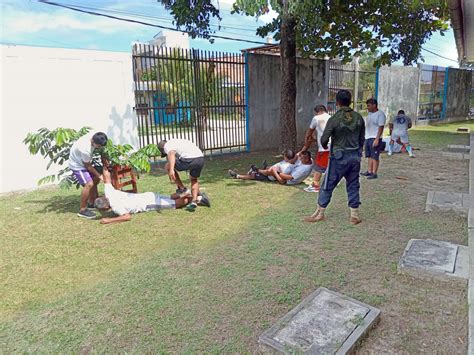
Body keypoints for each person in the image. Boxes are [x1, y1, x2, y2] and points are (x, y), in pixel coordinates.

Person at [304, 89, 365, 225]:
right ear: (350, 101)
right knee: (353, 184)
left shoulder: (334, 119)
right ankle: (354, 215)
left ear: (337, 102)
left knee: (327, 184)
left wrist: (326, 146)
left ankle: (320, 213)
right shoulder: (359, 118)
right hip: (355, 157)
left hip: (339, 157)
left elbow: (324, 139)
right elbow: (362, 139)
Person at [94, 168, 211, 224]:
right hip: (148, 195)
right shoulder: (109, 192)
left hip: (148, 203)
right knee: (170, 197)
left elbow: (127, 217)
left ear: (105, 208)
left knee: (175, 204)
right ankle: (193, 192)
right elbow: (107, 178)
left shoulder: (116, 206)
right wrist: (105, 163)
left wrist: (109, 220)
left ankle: (197, 198)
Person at [68, 131, 108, 219]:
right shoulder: (85, 149)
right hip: (77, 165)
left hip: (81, 161)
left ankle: (91, 202)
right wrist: (100, 176)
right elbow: (88, 166)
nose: (100, 148)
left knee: (94, 181)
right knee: (89, 184)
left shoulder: (94, 136)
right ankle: (82, 210)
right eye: (99, 146)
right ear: (93, 142)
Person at [157, 139, 204, 211]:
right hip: (200, 159)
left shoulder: (167, 146)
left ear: (163, 149)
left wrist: (171, 169)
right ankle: (194, 201)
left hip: (189, 159)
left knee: (167, 166)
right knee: (194, 179)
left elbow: (171, 153)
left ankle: (183, 189)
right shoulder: (177, 142)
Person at [228, 151, 313, 185]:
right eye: (299, 157)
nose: (300, 159)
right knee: (269, 169)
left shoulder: (297, 168)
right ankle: (261, 169)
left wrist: (275, 172)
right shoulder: (297, 163)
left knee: (253, 175)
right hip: (276, 173)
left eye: (301, 158)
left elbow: (282, 180)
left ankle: (237, 176)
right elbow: (299, 154)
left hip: (273, 176)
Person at [300, 105, 331, 192]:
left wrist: (307, 140)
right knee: (330, 165)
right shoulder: (331, 118)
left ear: (317, 111)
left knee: (319, 167)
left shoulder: (316, 118)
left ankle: (315, 185)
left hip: (324, 147)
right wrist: (314, 140)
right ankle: (331, 182)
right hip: (333, 146)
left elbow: (310, 130)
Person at [361, 98, 386, 180]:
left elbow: (381, 127)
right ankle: (369, 171)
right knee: (369, 156)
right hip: (368, 137)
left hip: (375, 137)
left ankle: (374, 173)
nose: (367, 107)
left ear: (374, 105)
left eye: (369, 105)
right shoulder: (369, 114)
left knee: (375, 156)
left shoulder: (380, 114)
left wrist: (377, 139)